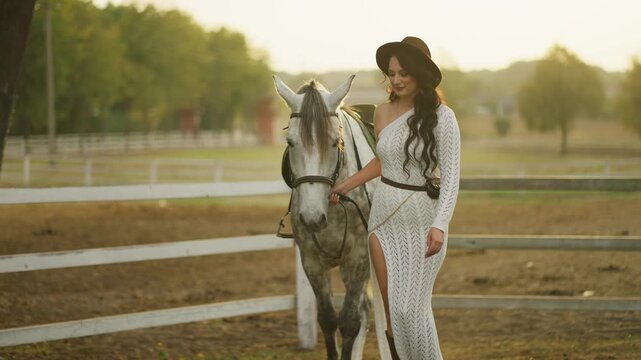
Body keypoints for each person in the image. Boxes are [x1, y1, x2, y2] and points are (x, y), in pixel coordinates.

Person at [329, 36, 460, 360]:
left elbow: (452, 178)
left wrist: (440, 224)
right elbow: (382, 161)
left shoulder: (444, 118)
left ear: (421, 74)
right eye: (391, 73)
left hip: (423, 220)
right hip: (383, 219)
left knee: (411, 312)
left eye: (404, 72)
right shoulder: (383, 111)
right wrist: (346, 184)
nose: (397, 79)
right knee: (391, 316)